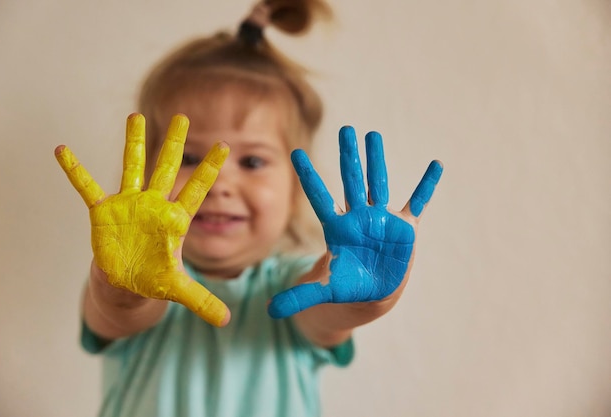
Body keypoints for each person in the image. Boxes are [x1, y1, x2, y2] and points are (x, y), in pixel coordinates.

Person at [54, 1, 444, 416]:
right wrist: (123, 286)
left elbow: (332, 308)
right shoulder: (135, 279)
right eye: (189, 159)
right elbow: (118, 312)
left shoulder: (293, 286)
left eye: (253, 162)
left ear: (296, 190)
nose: (219, 183)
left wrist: (372, 293)